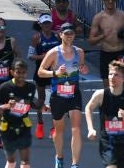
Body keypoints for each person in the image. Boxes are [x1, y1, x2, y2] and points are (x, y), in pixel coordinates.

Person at [36, 24, 89, 168]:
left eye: (71, 33)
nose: (69, 36)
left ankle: (75, 164)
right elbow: (40, 72)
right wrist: (55, 73)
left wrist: (84, 69)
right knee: (59, 130)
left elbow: (82, 67)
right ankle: (59, 157)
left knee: (76, 128)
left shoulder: (80, 52)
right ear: (60, 35)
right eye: (66, 33)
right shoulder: (53, 53)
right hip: (57, 96)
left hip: (74, 94)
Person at [82, 58, 124, 168]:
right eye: (110, 74)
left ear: (123, 78)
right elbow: (88, 108)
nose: (112, 77)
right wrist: (90, 128)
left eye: (116, 75)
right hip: (107, 142)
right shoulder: (100, 94)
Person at [0, 60, 38, 167]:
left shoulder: (31, 87)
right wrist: (7, 106)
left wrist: (43, 107)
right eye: (18, 72)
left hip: (24, 127)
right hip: (8, 128)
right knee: (11, 161)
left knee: (25, 161)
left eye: (24, 72)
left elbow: (30, 103)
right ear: (12, 72)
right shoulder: (5, 87)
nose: (21, 75)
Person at [86, 0, 124, 83]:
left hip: (120, 53)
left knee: (120, 83)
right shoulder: (98, 18)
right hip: (106, 54)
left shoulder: (123, 15)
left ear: (115, 0)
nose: (110, 1)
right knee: (107, 85)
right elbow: (91, 41)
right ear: (103, 0)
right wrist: (103, 36)